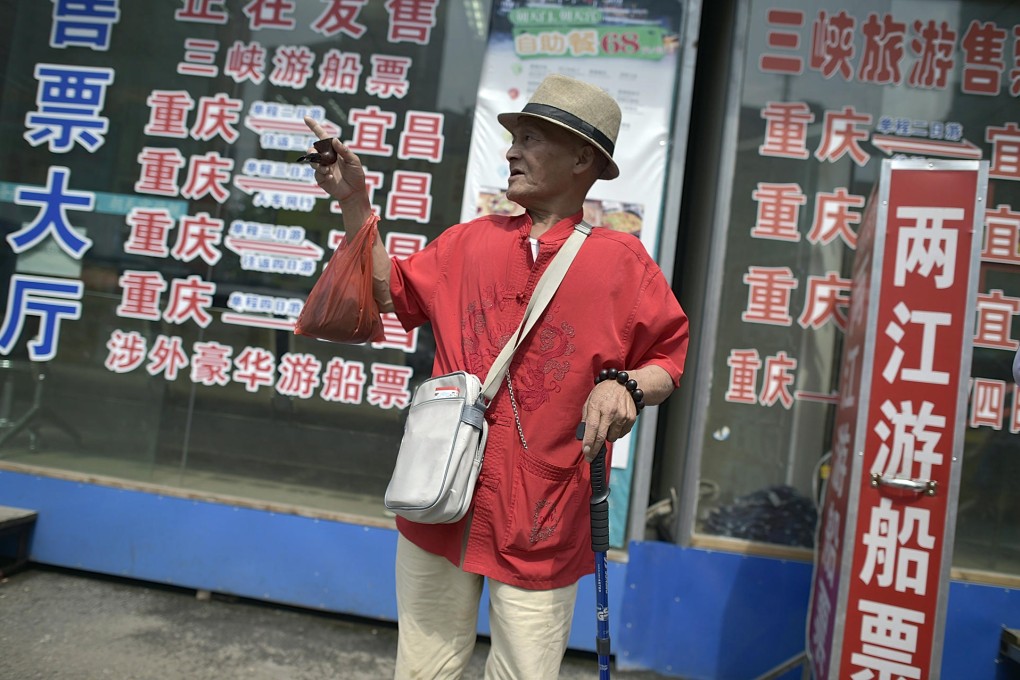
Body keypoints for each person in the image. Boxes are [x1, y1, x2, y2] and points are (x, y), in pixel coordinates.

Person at [303, 73, 689, 680]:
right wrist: (354, 201)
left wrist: (628, 386)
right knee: (423, 670)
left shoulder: (622, 263)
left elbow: (668, 360)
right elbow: (390, 292)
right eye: (515, 138)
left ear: (583, 158)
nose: (512, 150)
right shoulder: (468, 242)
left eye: (532, 138)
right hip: (441, 500)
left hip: (544, 517)